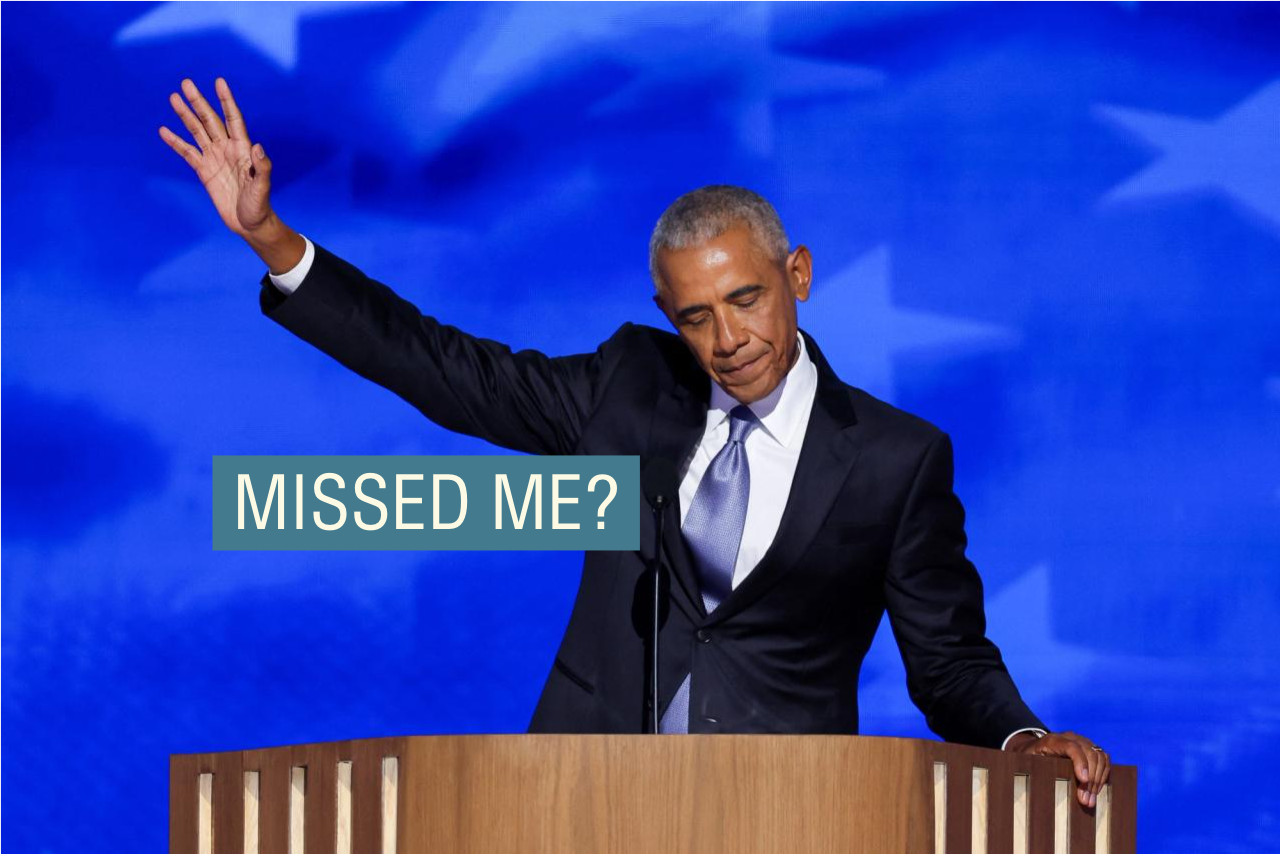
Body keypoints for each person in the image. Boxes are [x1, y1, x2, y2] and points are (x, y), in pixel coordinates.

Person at [160, 77, 1112, 806]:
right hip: (578, 798)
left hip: (784, 815)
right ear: (667, 314)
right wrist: (275, 242)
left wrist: (1024, 740)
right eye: (696, 316)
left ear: (799, 277)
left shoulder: (897, 459)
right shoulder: (629, 388)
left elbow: (948, 662)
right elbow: (448, 369)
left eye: (746, 299)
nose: (728, 339)